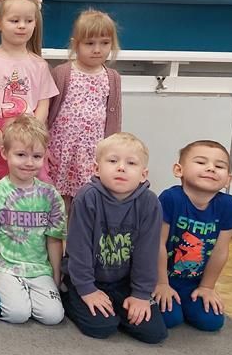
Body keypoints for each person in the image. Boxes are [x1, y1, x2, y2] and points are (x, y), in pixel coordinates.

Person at [62, 133, 166, 343]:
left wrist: (140, 295)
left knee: (154, 332)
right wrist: (87, 290)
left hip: (122, 281)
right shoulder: (87, 197)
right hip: (86, 278)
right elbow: (79, 249)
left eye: (131, 163)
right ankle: (67, 295)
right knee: (101, 326)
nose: (121, 167)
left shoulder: (150, 203)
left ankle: (116, 306)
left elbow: (147, 253)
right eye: (112, 161)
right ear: (96, 168)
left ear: (143, 174)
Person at [0, 116, 67, 325]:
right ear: (4, 153)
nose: (29, 162)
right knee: (17, 314)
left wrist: (55, 277)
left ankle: (28, 294)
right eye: (21, 155)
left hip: (38, 267)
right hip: (3, 266)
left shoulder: (51, 196)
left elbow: (54, 239)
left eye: (37, 156)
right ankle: (14, 295)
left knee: (53, 316)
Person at [152, 140, 232, 332]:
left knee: (211, 321)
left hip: (193, 282)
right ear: (179, 170)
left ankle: (188, 300)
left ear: (228, 179)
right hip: (161, 276)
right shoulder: (170, 199)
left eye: (219, 166)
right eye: (201, 162)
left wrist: (207, 287)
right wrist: (161, 283)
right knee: (170, 318)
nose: (211, 168)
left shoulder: (229, 206)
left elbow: (220, 251)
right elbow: (157, 244)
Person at [0, 0, 57, 190]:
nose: (22, 26)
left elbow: (43, 104)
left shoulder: (39, 65)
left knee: (26, 188)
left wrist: (33, 132)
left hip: (27, 137)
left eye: (28, 21)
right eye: (14, 20)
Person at [48, 10, 122, 212]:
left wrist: (112, 152)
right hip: (61, 150)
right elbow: (47, 112)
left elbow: (114, 117)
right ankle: (57, 232)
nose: (97, 49)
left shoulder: (112, 77)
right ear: (76, 44)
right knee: (57, 200)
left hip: (91, 153)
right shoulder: (62, 73)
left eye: (104, 43)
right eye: (89, 43)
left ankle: (79, 231)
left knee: (86, 199)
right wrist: (43, 145)